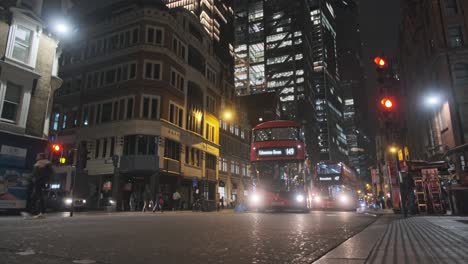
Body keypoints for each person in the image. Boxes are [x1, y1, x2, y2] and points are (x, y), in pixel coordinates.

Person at [24, 153, 53, 218]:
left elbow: (35, 173)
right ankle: (37, 212)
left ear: (41, 157)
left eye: (37, 156)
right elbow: (49, 173)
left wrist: (30, 178)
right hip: (39, 181)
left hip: (39, 181)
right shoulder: (43, 163)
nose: (36, 157)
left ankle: (37, 212)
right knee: (37, 196)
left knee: (38, 196)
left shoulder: (42, 163)